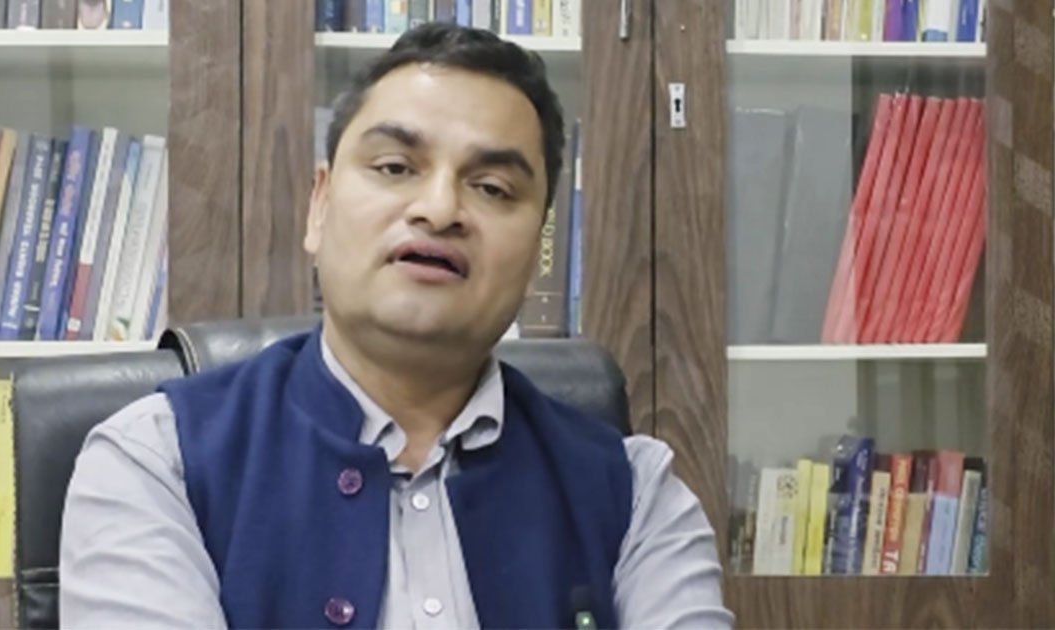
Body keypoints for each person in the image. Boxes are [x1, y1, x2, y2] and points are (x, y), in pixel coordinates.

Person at [60, 22, 733, 629]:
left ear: (538, 251)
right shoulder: (156, 460)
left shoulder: (637, 494)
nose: (439, 209)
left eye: (492, 188)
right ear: (320, 205)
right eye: (395, 168)